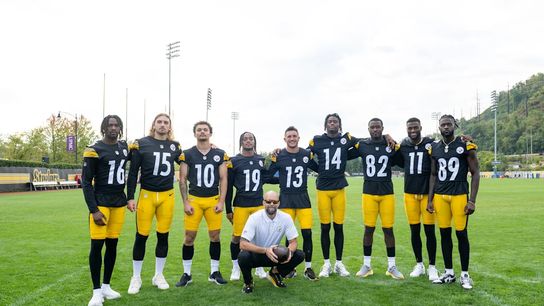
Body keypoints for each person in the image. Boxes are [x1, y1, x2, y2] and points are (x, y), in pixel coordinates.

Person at [126, 113, 182, 294]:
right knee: (141, 236)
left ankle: (158, 274)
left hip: (167, 196)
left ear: (170, 126)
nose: (163, 125)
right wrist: (130, 196)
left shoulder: (175, 146)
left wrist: (208, 146)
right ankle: (136, 277)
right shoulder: (141, 143)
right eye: (159, 122)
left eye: (166, 122)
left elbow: (190, 159)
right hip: (147, 196)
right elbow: (133, 172)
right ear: (153, 124)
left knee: (163, 236)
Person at [427, 114, 480, 290]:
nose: (446, 127)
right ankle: (449, 272)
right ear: (439, 127)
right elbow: (433, 174)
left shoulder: (465, 144)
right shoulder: (435, 147)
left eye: (449, 124)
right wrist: (430, 199)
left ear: (455, 126)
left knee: (461, 234)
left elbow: (476, 173)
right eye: (443, 125)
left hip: (459, 195)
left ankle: (465, 274)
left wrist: (472, 200)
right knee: (444, 234)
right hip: (441, 196)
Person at [82, 115, 129, 306]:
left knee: (112, 245)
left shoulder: (124, 147)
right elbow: (86, 182)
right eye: (109, 125)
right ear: (103, 128)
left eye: (116, 125)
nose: (113, 127)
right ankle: (96, 292)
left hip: (119, 203)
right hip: (101, 203)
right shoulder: (94, 149)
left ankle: (106, 286)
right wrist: (93, 210)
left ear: (120, 128)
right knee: (96, 246)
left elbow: (145, 152)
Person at [176, 121, 229, 287]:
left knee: (215, 236)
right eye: (199, 130)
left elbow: (223, 178)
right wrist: (185, 202)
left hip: (213, 199)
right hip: (194, 200)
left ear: (210, 133)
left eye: (205, 129)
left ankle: (214, 272)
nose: (202, 132)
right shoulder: (187, 154)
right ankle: (187, 273)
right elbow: (182, 179)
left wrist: (221, 201)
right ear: (195, 133)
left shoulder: (220, 153)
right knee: (189, 237)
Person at [350, 118, 404, 280]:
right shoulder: (363, 144)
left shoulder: (391, 145)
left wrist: (391, 139)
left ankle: (392, 266)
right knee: (369, 229)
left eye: (378, 127)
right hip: (369, 193)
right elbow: (347, 146)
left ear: (382, 128)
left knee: (388, 229)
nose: (375, 130)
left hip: (387, 193)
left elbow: (402, 162)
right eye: (372, 127)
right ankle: (367, 265)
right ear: (368, 129)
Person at [308, 113, 358, 277]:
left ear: (339, 124)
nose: (332, 124)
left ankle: (338, 263)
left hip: (339, 189)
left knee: (338, 227)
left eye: (335, 121)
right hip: (322, 188)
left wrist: (386, 136)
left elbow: (365, 143)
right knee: (324, 227)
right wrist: (319, 169)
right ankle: (326, 264)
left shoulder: (346, 139)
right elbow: (305, 156)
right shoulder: (317, 140)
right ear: (325, 125)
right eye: (329, 121)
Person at [268, 126, 318, 280]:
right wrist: (271, 159)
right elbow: (269, 176)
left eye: (294, 136)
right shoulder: (279, 155)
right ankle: (287, 267)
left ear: (298, 138)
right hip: (286, 200)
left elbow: (319, 168)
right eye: (289, 136)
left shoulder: (305, 154)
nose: (292, 138)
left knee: (307, 234)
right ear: (285, 139)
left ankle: (308, 268)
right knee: (287, 236)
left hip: (303, 199)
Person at [395, 117, 438, 281]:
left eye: (415, 128)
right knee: (414, 231)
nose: (412, 131)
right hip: (410, 194)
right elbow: (392, 152)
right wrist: (387, 137)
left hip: (427, 195)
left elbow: (445, 145)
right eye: (409, 129)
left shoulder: (430, 144)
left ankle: (432, 267)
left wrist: (463, 139)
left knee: (429, 232)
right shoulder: (404, 145)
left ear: (421, 127)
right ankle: (419, 264)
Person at [238, 190, 305, 293]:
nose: (271, 204)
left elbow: (293, 242)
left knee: (299, 254)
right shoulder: (254, 218)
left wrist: (289, 253)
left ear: (279, 203)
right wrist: (265, 250)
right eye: (268, 201)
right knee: (243, 256)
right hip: (257, 254)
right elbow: (242, 244)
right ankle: (248, 282)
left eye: (274, 202)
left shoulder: (286, 218)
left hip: (275, 256)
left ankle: (275, 272)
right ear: (263, 202)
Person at [225, 132, 271, 281]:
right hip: (241, 203)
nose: (248, 141)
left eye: (251, 138)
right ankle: (235, 267)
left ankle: (259, 267)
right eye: (245, 139)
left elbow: (267, 178)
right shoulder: (234, 161)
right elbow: (228, 186)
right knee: (237, 237)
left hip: (258, 203)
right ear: (241, 142)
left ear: (254, 142)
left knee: (259, 237)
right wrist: (228, 209)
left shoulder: (260, 160)